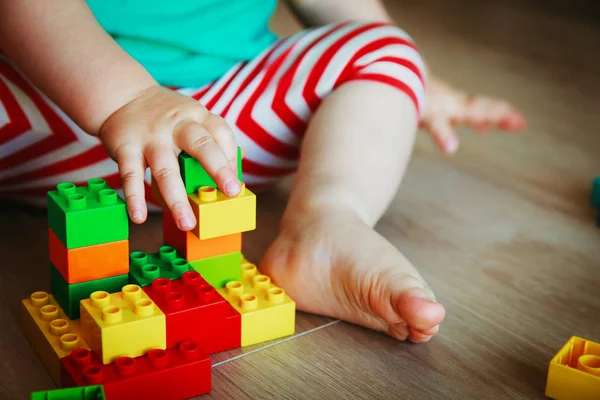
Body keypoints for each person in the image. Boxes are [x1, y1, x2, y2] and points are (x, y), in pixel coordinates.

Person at [0, 0, 525, 342]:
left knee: (384, 50)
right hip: (50, 100)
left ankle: (326, 220)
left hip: (226, 124)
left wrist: (416, 84)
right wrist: (128, 99)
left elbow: (349, 16)